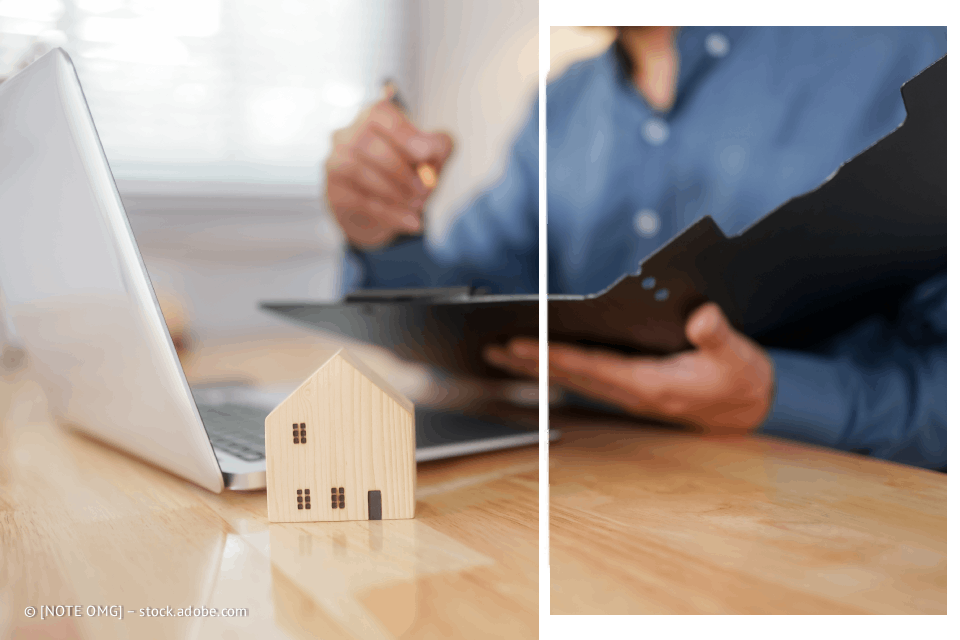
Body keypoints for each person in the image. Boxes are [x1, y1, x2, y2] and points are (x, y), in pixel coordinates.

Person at [323, 26, 947, 471]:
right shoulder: (561, 105)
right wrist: (382, 235)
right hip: (590, 513)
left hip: (847, 527)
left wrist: (781, 396)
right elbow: (465, 318)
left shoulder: (908, 53)